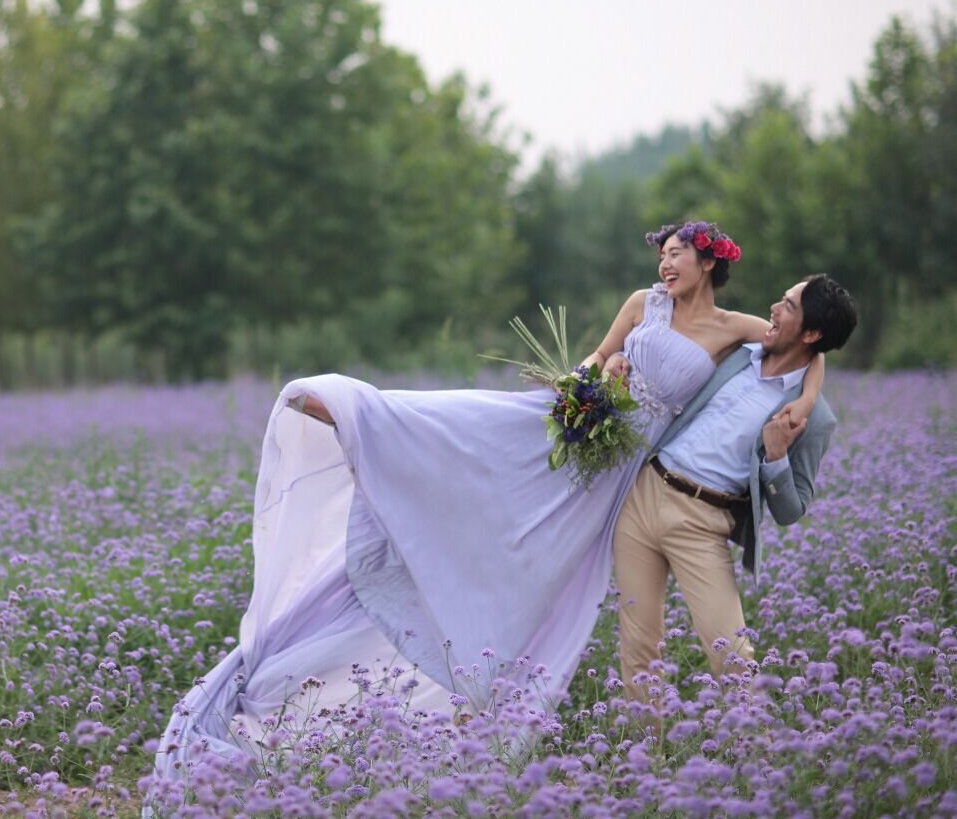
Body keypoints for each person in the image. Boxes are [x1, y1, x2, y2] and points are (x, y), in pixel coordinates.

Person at [152, 221, 823, 780]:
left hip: (612, 484)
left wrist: (809, 396)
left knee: (531, 570)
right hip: (580, 432)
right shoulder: (641, 303)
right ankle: (360, 419)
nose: (665, 262)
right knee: (473, 440)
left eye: (677, 252)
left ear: (709, 261)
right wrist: (583, 390)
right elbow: (596, 356)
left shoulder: (735, 327)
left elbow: (800, 346)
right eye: (662, 252)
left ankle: (483, 700)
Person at [613, 273, 857, 714]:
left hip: (704, 522)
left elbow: (791, 509)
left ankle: (755, 767)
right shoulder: (734, 355)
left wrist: (778, 455)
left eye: (787, 305)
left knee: (732, 658)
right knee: (639, 648)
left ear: (812, 332)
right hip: (644, 494)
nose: (774, 307)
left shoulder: (814, 419)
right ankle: (641, 764)